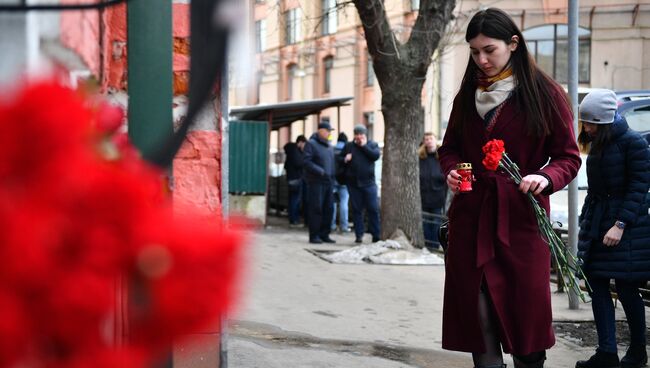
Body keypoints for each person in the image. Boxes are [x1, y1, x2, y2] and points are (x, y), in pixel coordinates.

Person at [437, 8, 581, 368]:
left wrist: (545, 178)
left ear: (513, 44)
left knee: (525, 324)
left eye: (489, 50)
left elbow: (568, 157)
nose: (481, 60)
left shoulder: (544, 93)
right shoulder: (467, 94)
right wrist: (452, 171)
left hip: (521, 223)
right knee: (477, 316)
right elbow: (449, 148)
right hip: (471, 220)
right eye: (474, 52)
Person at [575, 89, 650, 368]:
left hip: (628, 229)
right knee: (596, 284)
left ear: (607, 120)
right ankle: (606, 352)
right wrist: (588, 223)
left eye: (592, 123)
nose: (588, 128)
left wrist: (620, 225)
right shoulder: (599, 144)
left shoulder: (633, 143)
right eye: (585, 122)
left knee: (628, 288)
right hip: (599, 225)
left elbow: (639, 188)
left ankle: (638, 351)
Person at [342, 124, 381, 244]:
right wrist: (345, 159)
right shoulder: (349, 146)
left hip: (369, 183)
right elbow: (339, 159)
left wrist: (364, 146)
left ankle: (376, 234)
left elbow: (375, 156)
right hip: (353, 184)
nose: (359, 137)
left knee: (373, 209)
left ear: (365, 135)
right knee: (357, 210)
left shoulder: (372, 145)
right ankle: (359, 235)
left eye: (361, 134)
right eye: (357, 134)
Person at [303, 122, 337, 244]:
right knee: (316, 208)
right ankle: (314, 235)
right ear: (320, 131)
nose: (329, 133)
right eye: (328, 130)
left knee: (329, 209)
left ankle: (324, 234)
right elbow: (306, 162)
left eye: (330, 131)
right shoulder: (311, 144)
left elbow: (332, 163)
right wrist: (320, 171)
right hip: (316, 182)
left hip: (329, 182)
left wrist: (333, 176)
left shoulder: (329, 145)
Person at [418, 132, 447, 250]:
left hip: (438, 196)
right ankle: (428, 245)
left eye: (431, 138)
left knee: (436, 221)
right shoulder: (420, 157)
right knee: (425, 222)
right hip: (424, 195)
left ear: (435, 140)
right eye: (426, 139)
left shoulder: (441, 156)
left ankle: (435, 245)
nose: (429, 141)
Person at [284, 135, 307, 227]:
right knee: (295, 200)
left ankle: (292, 219)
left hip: (291, 178)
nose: (304, 147)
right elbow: (299, 163)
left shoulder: (290, 151)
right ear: (300, 142)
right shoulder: (295, 151)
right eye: (304, 144)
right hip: (296, 178)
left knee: (292, 199)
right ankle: (294, 220)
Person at [332, 132, 351, 233]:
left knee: (333, 203)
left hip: (333, 180)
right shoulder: (348, 150)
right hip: (344, 181)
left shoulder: (332, 149)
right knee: (344, 203)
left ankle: (332, 225)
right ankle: (344, 226)